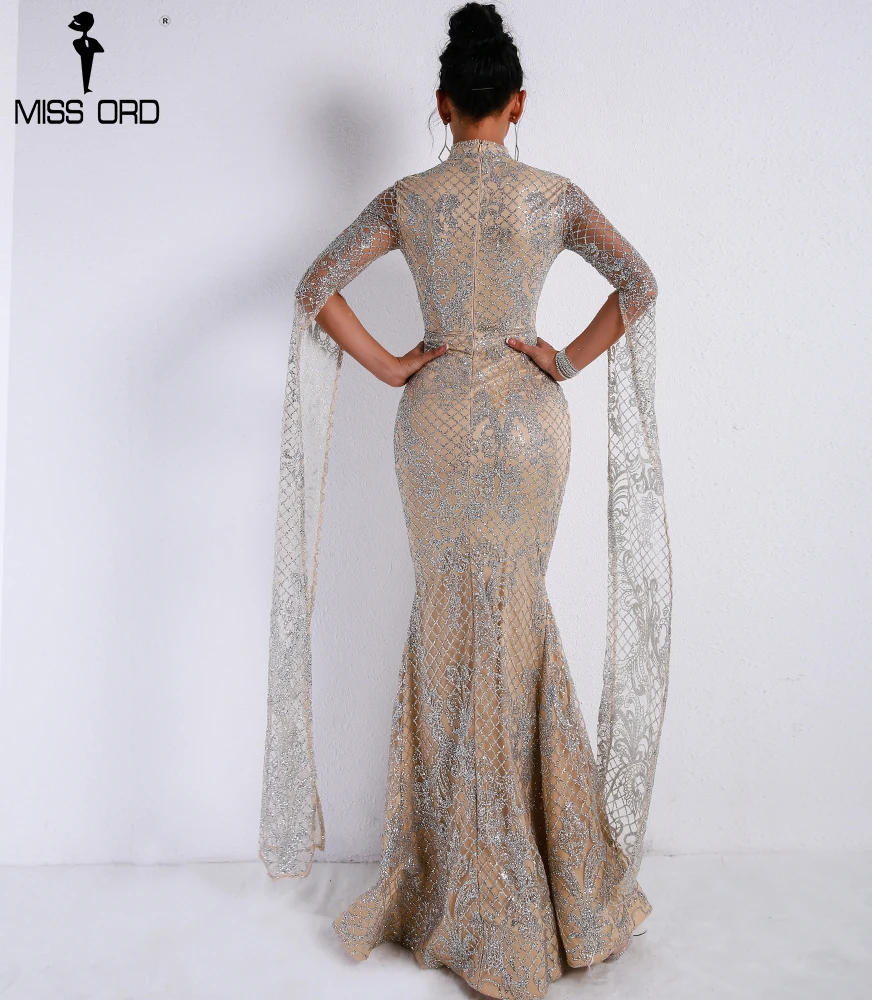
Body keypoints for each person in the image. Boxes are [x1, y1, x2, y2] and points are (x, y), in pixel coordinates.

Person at [258, 4, 674, 997]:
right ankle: (553, 887)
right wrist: (561, 358)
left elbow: (315, 284)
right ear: (516, 104)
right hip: (530, 422)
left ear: (442, 104)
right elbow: (639, 282)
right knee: (515, 618)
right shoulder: (553, 196)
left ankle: (462, 880)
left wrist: (393, 364)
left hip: (438, 420)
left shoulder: (409, 199)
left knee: (451, 622)